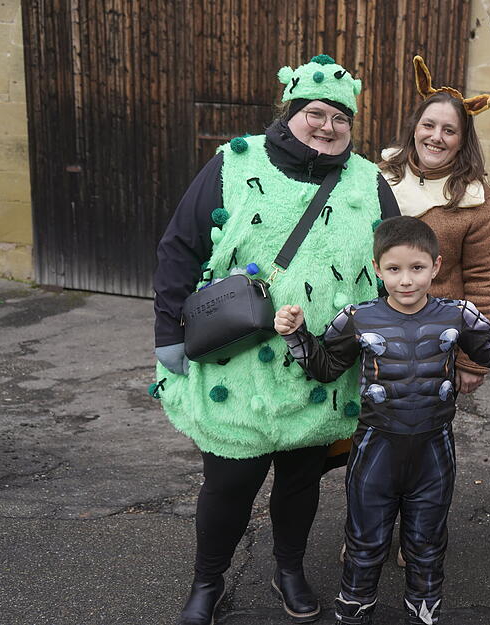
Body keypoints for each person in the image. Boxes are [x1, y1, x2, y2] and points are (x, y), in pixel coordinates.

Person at [150, 54, 400, 625]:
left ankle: (289, 569)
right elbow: (180, 246)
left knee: (301, 482)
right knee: (229, 483)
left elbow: (394, 263)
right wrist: (168, 332)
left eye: (341, 118)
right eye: (316, 113)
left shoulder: (367, 181)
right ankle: (208, 582)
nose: (328, 127)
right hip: (235, 363)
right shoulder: (236, 161)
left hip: (321, 365)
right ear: (290, 111)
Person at [273, 216, 490, 625]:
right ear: (377, 268)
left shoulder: (458, 314)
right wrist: (296, 334)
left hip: (433, 449)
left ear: (436, 266)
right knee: (364, 546)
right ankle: (353, 615)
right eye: (394, 269)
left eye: (417, 268)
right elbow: (326, 367)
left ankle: (422, 616)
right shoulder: (357, 317)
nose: (406, 280)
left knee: (426, 547)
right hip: (375, 449)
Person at [379, 55, 490, 396]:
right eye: (429, 125)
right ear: (415, 128)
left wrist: (472, 359)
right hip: (374, 334)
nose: (436, 137)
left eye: (449, 130)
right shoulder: (380, 178)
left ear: (462, 140)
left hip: (435, 343)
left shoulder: (475, 198)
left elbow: (485, 279)